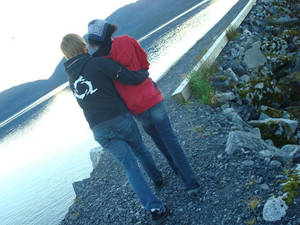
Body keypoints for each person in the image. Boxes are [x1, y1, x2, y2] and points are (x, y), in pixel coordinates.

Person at [60, 34, 169, 222]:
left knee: (130, 166)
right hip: (120, 119)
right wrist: (143, 74)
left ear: (66, 54)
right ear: (82, 45)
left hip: (99, 130)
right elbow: (125, 77)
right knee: (140, 150)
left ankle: (155, 209)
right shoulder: (97, 63)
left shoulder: (71, 79)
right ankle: (157, 178)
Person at [87, 19, 201, 194]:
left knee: (156, 137)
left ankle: (175, 167)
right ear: (110, 30)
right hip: (152, 97)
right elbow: (145, 63)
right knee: (170, 138)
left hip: (135, 107)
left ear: (94, 41)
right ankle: (190, 182)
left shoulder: (100, 61)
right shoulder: (127, 40)